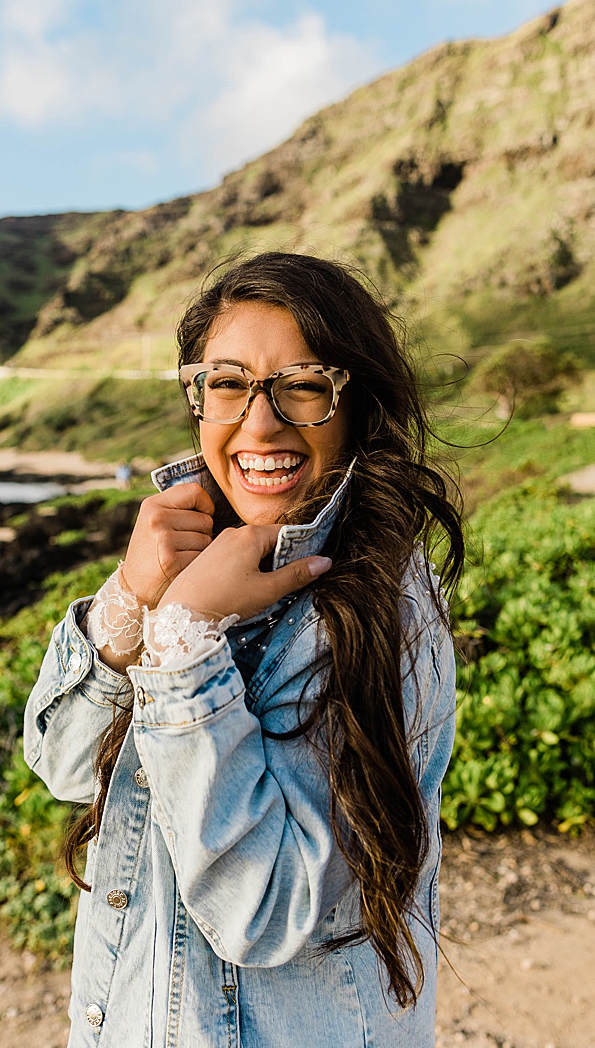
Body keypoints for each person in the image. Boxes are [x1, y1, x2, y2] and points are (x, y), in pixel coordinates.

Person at [24, 252, 464, 1046]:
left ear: (356, 404)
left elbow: (266, 910)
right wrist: (133, 593)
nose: (260, 424)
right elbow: (59, 762)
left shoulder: (379, 612)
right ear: (197, 399)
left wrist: (186, 642)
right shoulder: (201, 563)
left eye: (302, 384)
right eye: (228, 383)